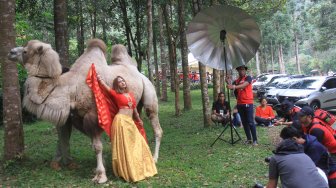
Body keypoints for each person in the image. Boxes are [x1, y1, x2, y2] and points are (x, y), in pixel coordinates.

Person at [96, 75, 157, 182]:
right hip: (121, 122)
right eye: (119, 81)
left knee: (139, 142)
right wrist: (99, 79)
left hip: (130, 122)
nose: (122, 82)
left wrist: (138, 120)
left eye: (123, 80)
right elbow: (106, 88)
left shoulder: (130, 95)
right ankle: (128, 171)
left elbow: (134, 110)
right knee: (126, 146)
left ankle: (140, 168)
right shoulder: (115, 94)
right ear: (117, 85)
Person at [227, 65, 258, 145]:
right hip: (240, 104)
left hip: (248, 103)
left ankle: (255, 140)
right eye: (239, 70)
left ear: (245, 70)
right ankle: (249, 139)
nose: (241, 71)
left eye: (243, 69)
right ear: (238, 71)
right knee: (244, 122)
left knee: (250, 121)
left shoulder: (248, 78)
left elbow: (244, 85)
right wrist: (228, 81)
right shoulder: (236, 81)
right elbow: (231, 85)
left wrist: (234, 86)